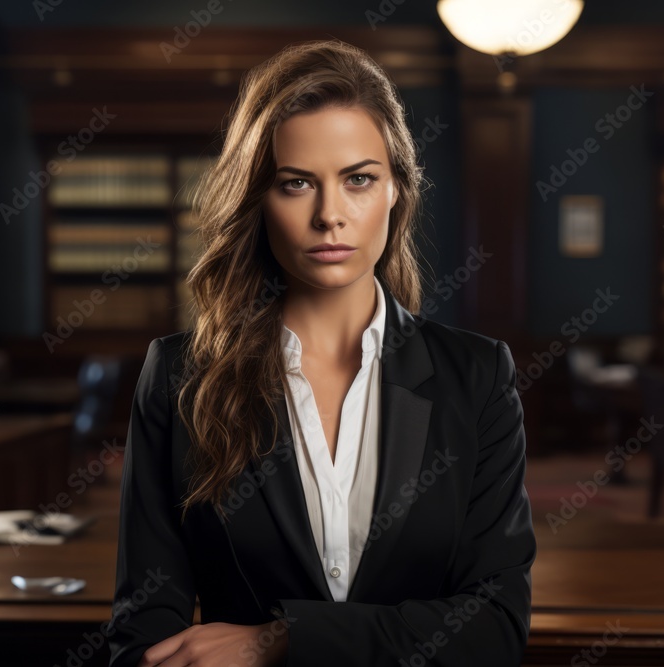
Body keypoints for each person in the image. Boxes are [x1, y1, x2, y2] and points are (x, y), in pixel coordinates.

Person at [108, 38, 535, 667]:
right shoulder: (178, 376)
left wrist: (276, 641)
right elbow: (143, 638)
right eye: (295, 184)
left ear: (397, 190)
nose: (329, 215)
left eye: (358, 179)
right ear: (258, 200)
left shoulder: (476, 377)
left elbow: (495, 627)